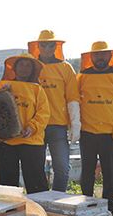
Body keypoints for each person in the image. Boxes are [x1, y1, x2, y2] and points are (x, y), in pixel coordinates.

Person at [78, 41, 113, 213]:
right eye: (97, 55)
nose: (100, 57)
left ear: (110, 56)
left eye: (103, 54)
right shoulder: (82, 76)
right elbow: (74, 102)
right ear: (91, 56)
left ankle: (109, 205)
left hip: (109, 133)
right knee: (87, 171)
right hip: (87, 132)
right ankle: (86, 203)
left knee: (110, 172)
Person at [28, 30, 80, 192]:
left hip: (58, 125)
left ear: (56, 46)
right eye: (43, 44)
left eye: (51, 45)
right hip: (35, 127)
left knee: (62, 169)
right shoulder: (30, 67)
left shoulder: (65, 68)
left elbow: (72, 98)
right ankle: (40, 202)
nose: (47, 48)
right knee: (35, 170)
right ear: (38, 46)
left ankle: (57, 201)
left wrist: (75, 124)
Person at [0, 53, 50, 194]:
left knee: (36, 182)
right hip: (8, 141)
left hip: (31, 141)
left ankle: (41, 212)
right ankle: (9, 213)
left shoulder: (38, 89)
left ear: (33, 70)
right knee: (7, 184)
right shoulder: (2, 85)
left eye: (28, 66)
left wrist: (32, 127)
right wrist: (1, 95)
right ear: (14, 68)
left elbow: (43, 113)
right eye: (21, 65)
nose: (24, 68)